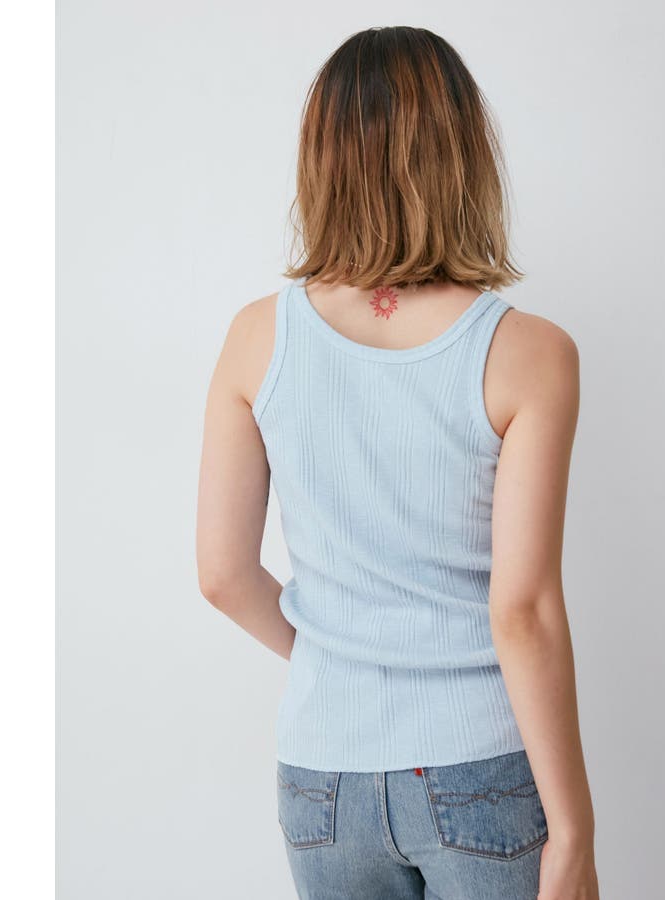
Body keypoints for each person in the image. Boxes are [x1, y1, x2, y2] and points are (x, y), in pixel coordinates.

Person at [196, 25, 599, 900]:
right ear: (463, 154)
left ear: (322, 159)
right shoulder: (530, 355)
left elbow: (223, 576)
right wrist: (574, 833)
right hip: (478, 767)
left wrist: (341, 659)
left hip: (321, 778)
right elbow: (522, 610)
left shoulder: (255, 339)